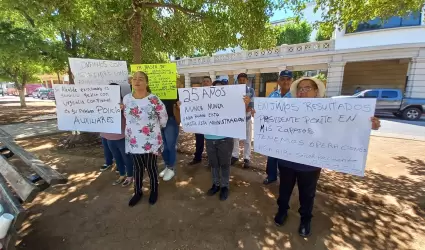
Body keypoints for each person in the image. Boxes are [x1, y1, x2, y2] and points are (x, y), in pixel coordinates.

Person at [273, 77, 381, 237]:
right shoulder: (285, 108)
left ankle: (305, 219)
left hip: (310, 163)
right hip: (287, 160)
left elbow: (348, 124)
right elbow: (270, 123)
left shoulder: (329, 109)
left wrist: (369, 124)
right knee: (284, 189)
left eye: (307, 88)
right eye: (300, 89)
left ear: (316, 91)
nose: (302, 92)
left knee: (307, 194)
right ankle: (282, 211)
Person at [178, 95, 251, 201]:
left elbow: (238, 114)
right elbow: (194, 113)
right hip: (209, 140)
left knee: (225, 164)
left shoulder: (228, 105)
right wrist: (183, 107)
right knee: (214, 164)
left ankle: (225, 187)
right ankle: (216, 185)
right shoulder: (205, 104)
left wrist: (246, 104)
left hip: (225, 139)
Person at [123, 71, 168, 206]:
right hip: (134, 141)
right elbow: (127, 117)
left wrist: (152, 129)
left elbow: (163, 118)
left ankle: (154, 190)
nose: (137, 81)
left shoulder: (153, 99)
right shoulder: (126, 99)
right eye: (134, 79)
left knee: (151, 167)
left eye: (141, 79)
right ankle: (137, 192)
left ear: (147, 82)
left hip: (151, 141)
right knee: (137, 168)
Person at [100, 83, 134, 187]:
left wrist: (123, 109)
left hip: (122, 136)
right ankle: (122, 175)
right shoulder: (102, 102)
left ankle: (130, 176)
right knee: (116, 157)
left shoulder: (125, 102)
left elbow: (131, 117)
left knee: (126, 157)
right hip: (109, 136)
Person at [263, 70, 293, 185]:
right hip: (273, 131)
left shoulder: (296, 96)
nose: (285, 81)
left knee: (286, 156)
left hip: (289, 132)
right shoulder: (272, 95)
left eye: (288, 79)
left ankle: (285, 179)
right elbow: (265, 110)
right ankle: (271, 176)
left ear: (291, 81)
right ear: (278, 81)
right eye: (283, 79)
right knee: (271, 155)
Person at [231, 73, 255, 168]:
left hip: (247, 119)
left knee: (247, 139)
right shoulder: (233, 91)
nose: (241, 81)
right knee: (235, 138)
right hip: (236, 120)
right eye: (240, 80)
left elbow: (251, 106)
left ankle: (246, 158)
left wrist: (247, 106)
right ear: (237, 81)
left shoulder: (251, 91)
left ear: (247, 81)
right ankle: (235, 156)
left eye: (243, 80)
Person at [188, 76, 213, 165]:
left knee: (211, 142)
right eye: (204, 81)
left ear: (211, 83)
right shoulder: (197, 94)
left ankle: (211, 160)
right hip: (200, 121)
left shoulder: (216, 93)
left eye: (207, 81)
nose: (206, 83)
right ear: (202, 83)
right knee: (199, 140)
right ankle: (197, 157)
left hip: (211, 122)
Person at [159, 90, 180, 181]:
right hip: (156, 120)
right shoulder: (152, 88)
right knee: (163, 146)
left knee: (170, 145)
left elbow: (179, 102)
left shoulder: (171, 87)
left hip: (170, 119)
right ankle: (167, 166)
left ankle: (171, 168)